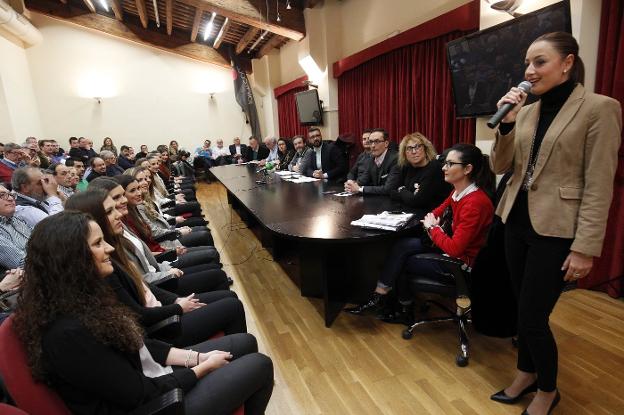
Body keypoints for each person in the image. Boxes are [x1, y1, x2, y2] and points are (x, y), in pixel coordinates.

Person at [13, 211, 274, 415]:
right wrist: (201, 369)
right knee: (260, 365)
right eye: (97, 244)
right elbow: (140, 394)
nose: (109, 249)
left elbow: (138, 344)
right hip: (156, 407)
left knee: (245, 342)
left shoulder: (81, 299)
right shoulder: (68, 334)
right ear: (71, 259)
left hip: (152, 379)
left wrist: (196, 357)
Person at [488, 32, 622, 415]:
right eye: (527, 63)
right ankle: (525, 374)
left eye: (540, 62)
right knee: (521, 309)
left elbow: (599, 184)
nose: (529, 71)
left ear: (567, 62)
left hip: (558, 231)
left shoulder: (600, 108)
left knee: (532, 318)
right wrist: (508, 125)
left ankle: (547, 390)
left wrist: (585, 247)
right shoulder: (527, 109)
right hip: (516, 222)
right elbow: (501, 167)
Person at [345, 144, 495, 324]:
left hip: (460, 264)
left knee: (402, 261)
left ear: (467, 169)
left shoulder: (474, 203)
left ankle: (403, 310)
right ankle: (381, 296)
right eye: (444, 163)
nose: (443, 168)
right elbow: (433, 214)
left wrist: (433, 229)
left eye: (449, 164)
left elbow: (455, 248)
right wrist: (433, 225)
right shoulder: (458, 191)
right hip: (448, 248)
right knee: (401, 245)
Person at [387, 132, 451, 217]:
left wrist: (402, 189)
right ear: (404, 153)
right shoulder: (405, 166)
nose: (414, 151)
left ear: (425, 148)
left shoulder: (434, 168)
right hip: (408, 213)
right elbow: (391, 191)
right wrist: (411, 195)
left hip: (432, 216)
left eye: (418, 147)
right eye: (409, 148)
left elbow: (418, 201)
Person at [344, 128, 398, 195]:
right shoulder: (371, 159)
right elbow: (364, 179)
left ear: (386, 143)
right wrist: (351, 185)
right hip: (378, 200)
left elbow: (388, 189)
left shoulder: (395, 159)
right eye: (371, 142)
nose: (372, 146)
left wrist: (360, 189)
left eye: (377, 141)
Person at [0, 184, 31, 270]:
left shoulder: (17, 220)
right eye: (2, 195)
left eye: (11, 195)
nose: (11, 199)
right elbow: (22, 264)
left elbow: (42, 240)